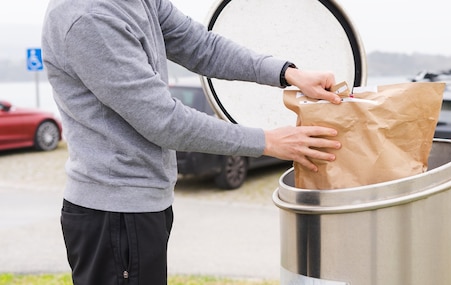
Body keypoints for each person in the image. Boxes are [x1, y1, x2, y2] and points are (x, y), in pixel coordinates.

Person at [41, 0, 342, 284]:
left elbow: (202, 46)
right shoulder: (89, 17)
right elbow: (164, 121)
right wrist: (268, 141)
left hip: (142, 206)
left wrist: (287, 73)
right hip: (114, 214)